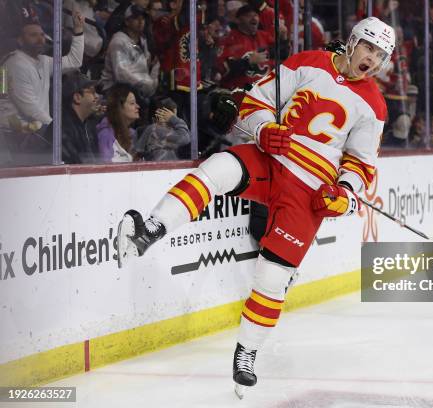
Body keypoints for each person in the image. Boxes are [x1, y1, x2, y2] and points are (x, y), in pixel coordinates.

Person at [116, 16, 395, 396]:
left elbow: (361, 164)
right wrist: (265, 129)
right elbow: (257, 100)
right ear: (352, 41)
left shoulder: (375, 105)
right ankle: (151, 230)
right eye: (369, 48)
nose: (373, 59)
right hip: (271, 158)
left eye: (381, 55)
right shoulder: (307, 63)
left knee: (273, 277)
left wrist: (343, 193)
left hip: (309, 191)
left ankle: (246, 353)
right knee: (216, 168)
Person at [4, 14, 85, 128]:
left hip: (38, 127)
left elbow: (74, 61)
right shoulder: (15, 64)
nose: (40, 39)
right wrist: (58, 129)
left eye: (42, 35)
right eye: (33, 35)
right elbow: (31, 110)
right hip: (15, 132)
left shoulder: (43, 60)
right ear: (20, 41)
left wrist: (78, 30)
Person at [100, 4, 160, 98]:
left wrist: (152, 82)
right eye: (136, 18)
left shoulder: (143, 40)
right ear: (127, 21)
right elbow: (121, 75)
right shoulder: (118, 41)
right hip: (113, 90)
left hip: (136, 89)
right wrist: (146, 83)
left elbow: (145, 68)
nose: (141, 22)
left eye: (143, 18)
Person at [47, 70, 102, 164]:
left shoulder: (89, 125)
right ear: (77, 97)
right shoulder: (60, 130)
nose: (97, 96)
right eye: (92, 92)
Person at [97, 84, 140, 162]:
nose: (137, 106)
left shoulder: (132, 134)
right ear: (119, 107)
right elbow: (106, 168)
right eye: (132, 103)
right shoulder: (105, 135)